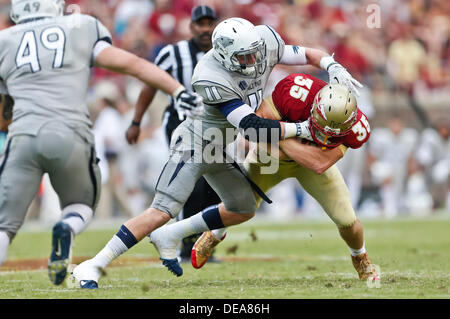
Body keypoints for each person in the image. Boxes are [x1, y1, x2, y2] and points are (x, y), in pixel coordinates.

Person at [72, 17, 362, 288]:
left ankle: (168, 236)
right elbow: (251, 127)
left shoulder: (262, 42)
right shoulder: (210, 76)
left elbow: (306, 55)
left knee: (243, 207)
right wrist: (301, 129)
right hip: (195, 144)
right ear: (224, 55)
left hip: (218, 146)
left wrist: (331, 65)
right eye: (244, 58)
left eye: (255, 54)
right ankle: (93, 265)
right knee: (162, 210)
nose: (253, 61)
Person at [0, 0, 202, 286]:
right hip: (71, 133)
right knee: (81, 205)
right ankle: (67, 227)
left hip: (22, 136)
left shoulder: (4, 39)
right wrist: (177, 90)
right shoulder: (80, 26)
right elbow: (131, 64)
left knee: (3, 227)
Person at [189, 73, 378, 281]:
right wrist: (290, 136)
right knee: (239, 205)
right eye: (321, 126)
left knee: (348, 220)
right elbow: (255, 127)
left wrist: (279, 134)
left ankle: (359, 256)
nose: (323, 135)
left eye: (332, 133)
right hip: (268, 159)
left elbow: (318, 163)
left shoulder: (356, 129)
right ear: (315, 106)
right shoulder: (296, 93)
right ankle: (215, 233)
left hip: (305, 165)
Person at [125, 5, 221, 262]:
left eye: (209, 23)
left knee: (213, 187)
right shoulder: (173, 53)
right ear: (191, 27)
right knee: (193, 183)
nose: (205, 29)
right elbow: (150, 86)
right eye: (200, 24)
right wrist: (136, 121)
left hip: (216, 127)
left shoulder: (225, 53)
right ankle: (184, 244)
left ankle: (201, 247)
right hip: (181, 126)